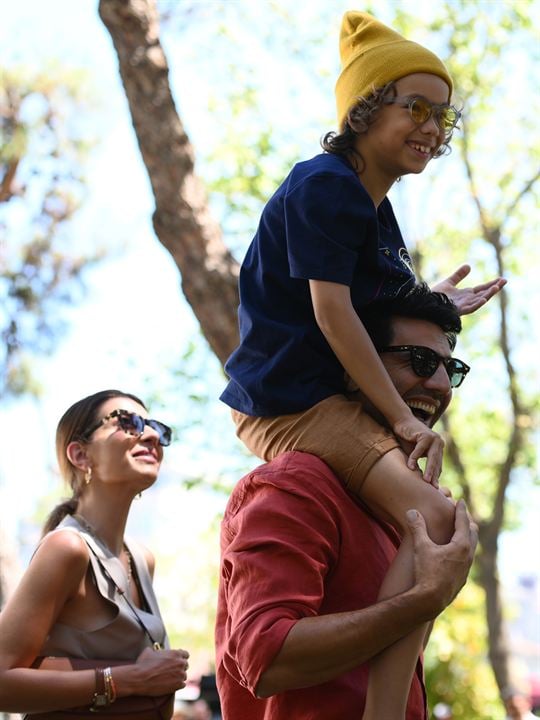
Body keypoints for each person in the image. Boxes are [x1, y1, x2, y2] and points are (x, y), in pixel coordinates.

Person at [219, 10, 504, 716]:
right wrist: (402, 418)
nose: (432, 128)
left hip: (320, 399)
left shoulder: (374, 210)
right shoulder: (327, 185)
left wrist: (432, 300)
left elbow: (372, 303)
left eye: (443, 116)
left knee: (426, 527)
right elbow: (333, 313)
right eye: (416, 108)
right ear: (365, 109)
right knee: (436, 521)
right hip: (291, 403)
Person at [216, 286, 479, 720]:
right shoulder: (296, 484)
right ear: (356, 367)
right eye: (418, 360)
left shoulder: (402, 508)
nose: (437, 384)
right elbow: (266, 657)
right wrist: (423, 600)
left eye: (449, 369)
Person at [0, 389, 189, 718]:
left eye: (157, 428)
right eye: (127, 422)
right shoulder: (67, 549)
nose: (150, 435)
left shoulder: (142, 559)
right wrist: (129, 680)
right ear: (80, 455)